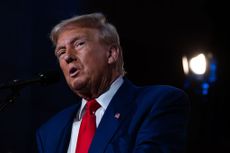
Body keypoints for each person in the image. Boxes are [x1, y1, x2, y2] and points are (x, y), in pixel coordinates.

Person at [36, 12, 190, 153]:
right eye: (61, 52)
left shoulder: (156, 103)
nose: (68, 56)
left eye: (79, 44)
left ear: (111, 54)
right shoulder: (50, 132)